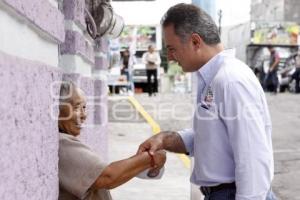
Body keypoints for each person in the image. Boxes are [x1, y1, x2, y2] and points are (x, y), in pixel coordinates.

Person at [137, 3, 276, 200]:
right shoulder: (213, 78)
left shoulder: (231, 81)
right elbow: (213, 140)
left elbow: (252, 158)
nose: (170, 57)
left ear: (195, 42)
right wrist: (166, 139)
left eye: (172, 48)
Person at [58, 82, 166, 200]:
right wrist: (149, 158)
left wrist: (141, 162)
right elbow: (108, 177)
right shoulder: (62, 143)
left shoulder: (66, 140)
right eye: (76, 107)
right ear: (57, 111)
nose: (84, 115)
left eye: (84, 107)